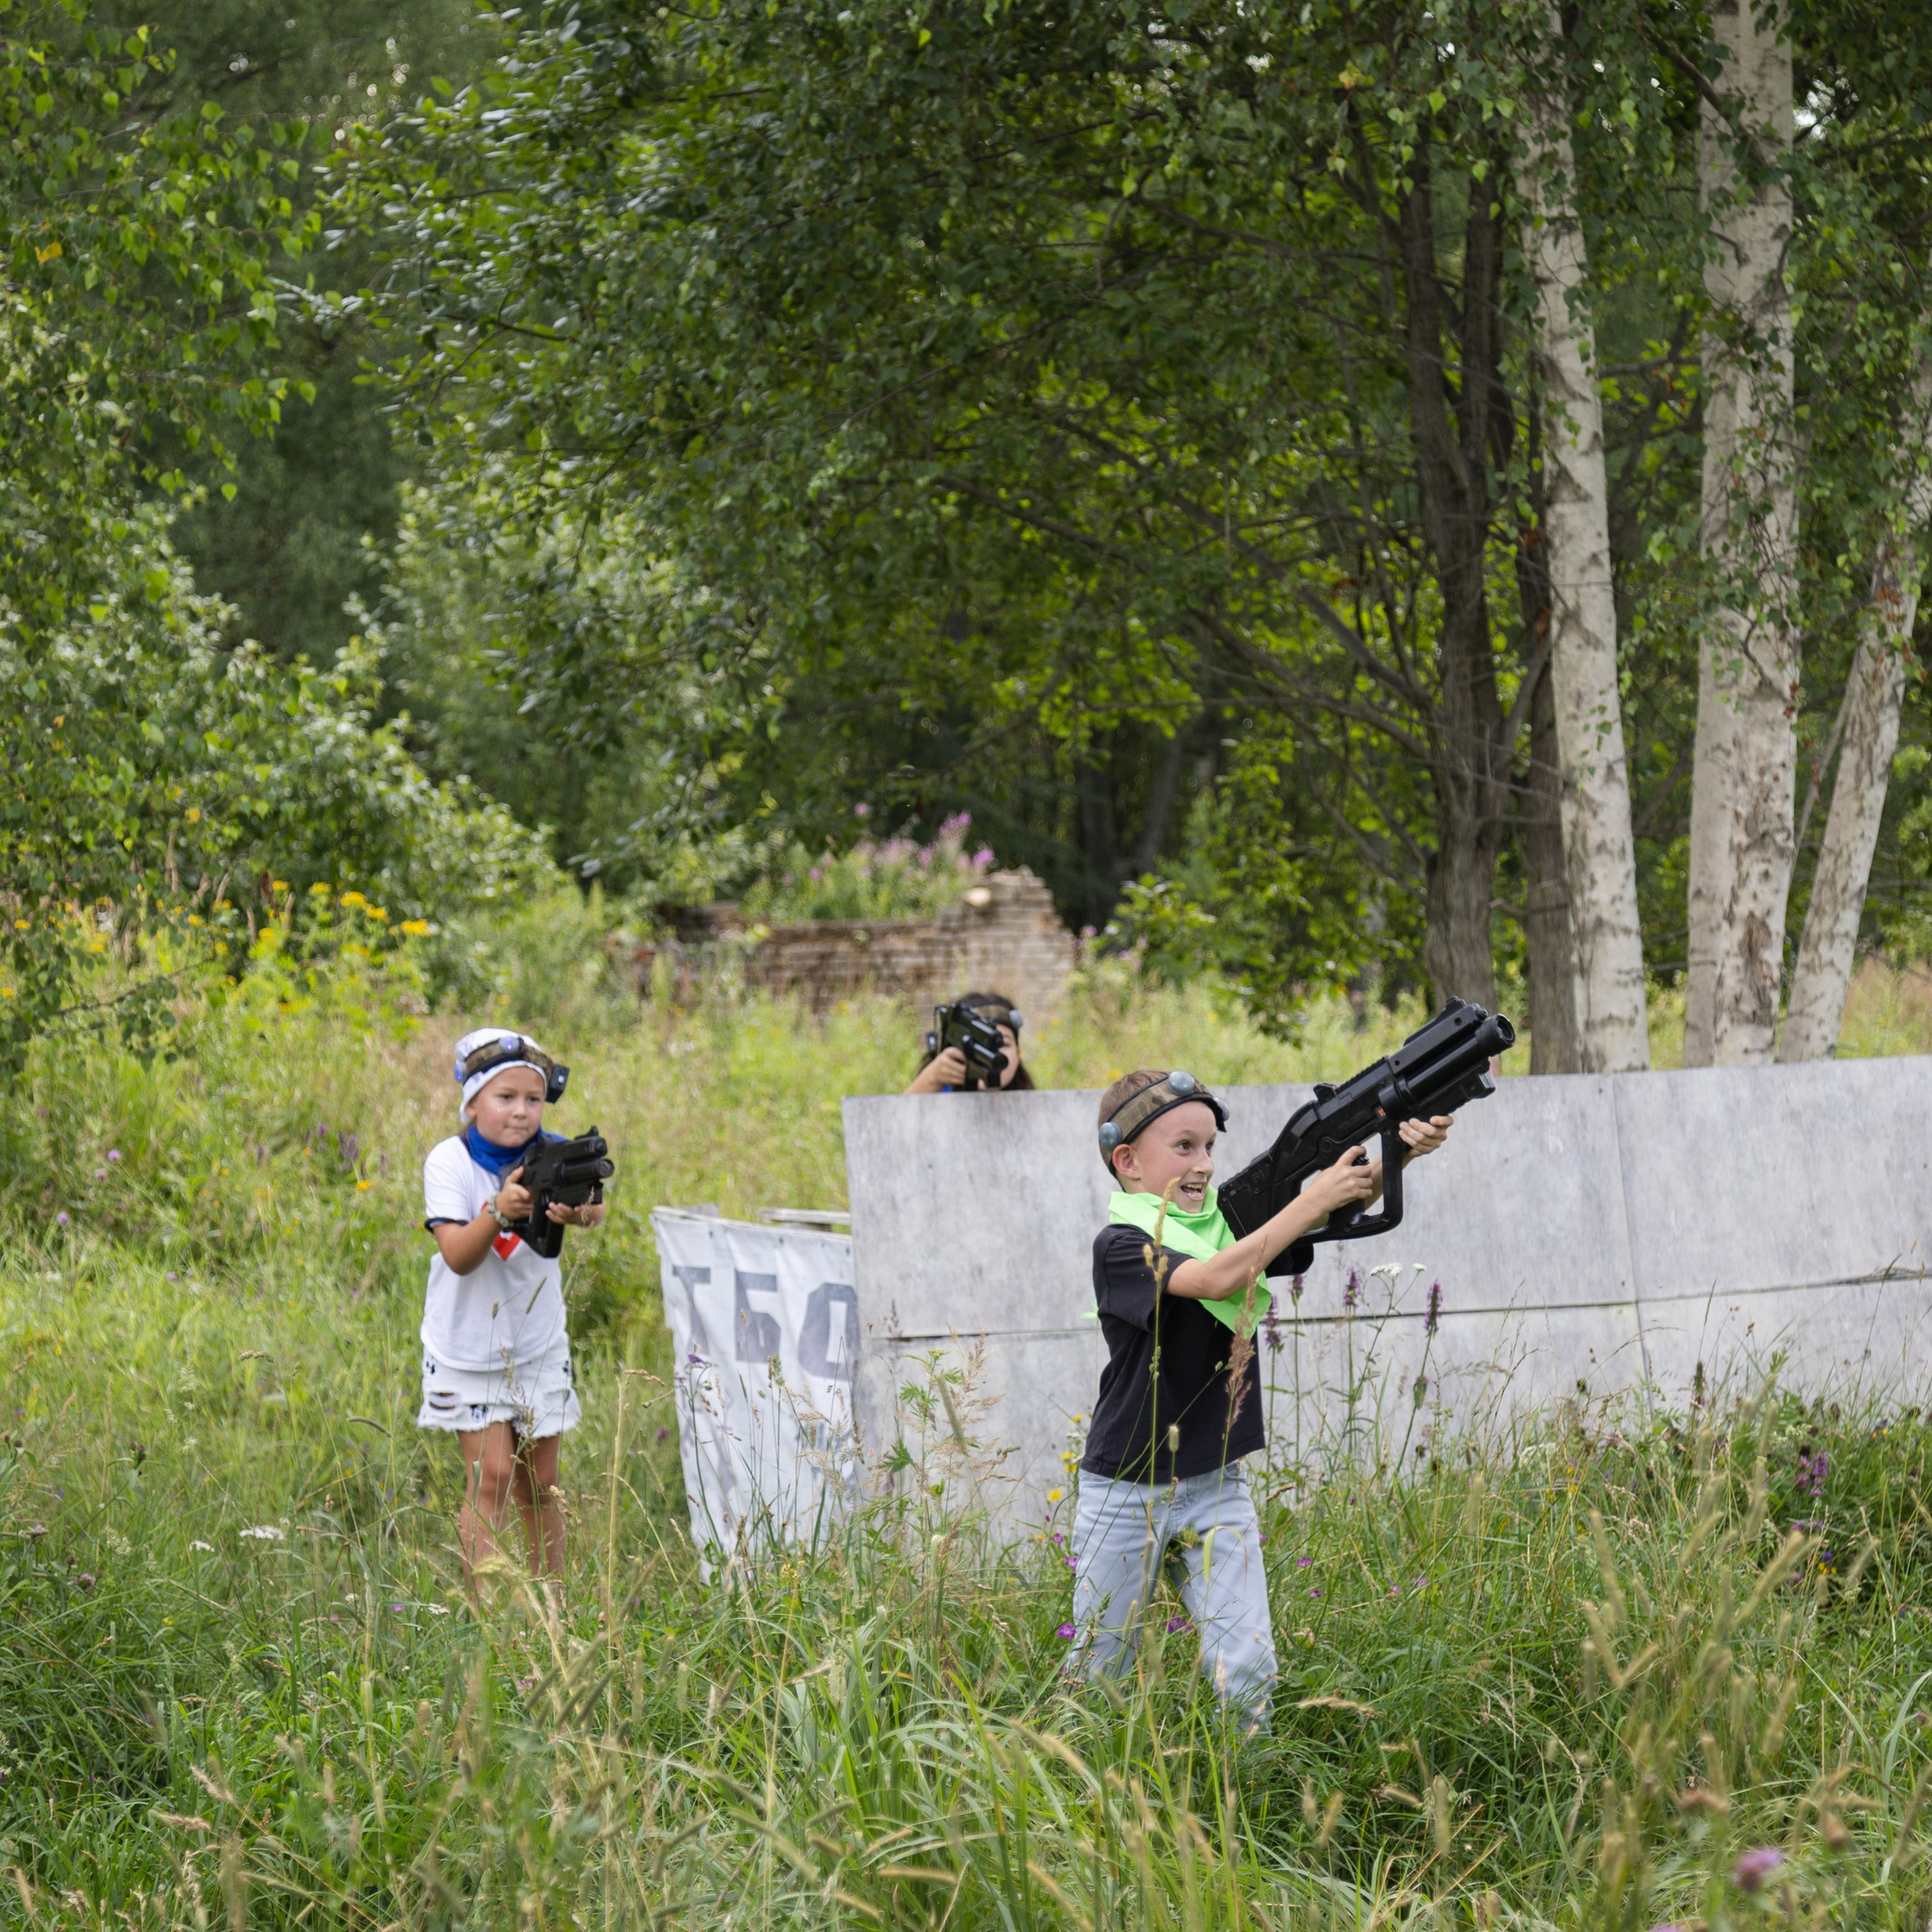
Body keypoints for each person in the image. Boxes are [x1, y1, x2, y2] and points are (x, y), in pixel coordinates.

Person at [1068, 1067, 1452, 1726]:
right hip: (1127, 1491)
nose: (1205, 1164)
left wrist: (1401, 1152)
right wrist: (1307, 1202)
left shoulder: (1224, 1227)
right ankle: (1081, 1796)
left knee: (1246, 1666)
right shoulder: (1123, 1246)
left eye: (1210, 1147)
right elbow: (1219, 1279)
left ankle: (1246, 1792)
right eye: (1183, 1147)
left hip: (1216, 1481)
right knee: (1102, 1672)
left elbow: (1328, 1212)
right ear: (1126, 1162)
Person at [419, 1026, 605, 1584]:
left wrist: (579, 1212)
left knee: (541, 1484)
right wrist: (497, 1212)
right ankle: (489, 1614)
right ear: (472, 1101)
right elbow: (457, 1255)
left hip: (536, 1340)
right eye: (506, 1098)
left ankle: (553, 1603)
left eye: (533, 1098)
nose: (522, 1111)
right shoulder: (449, 1162)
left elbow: (595, 1205)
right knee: (492, 1477)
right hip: (465, 1346)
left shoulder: (552, 1152)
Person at [903, 989, 1035, 1092]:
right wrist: (932, 1078)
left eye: (1003, 1043)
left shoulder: (1029, 1103)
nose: (995, 1052)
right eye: (980, 1043)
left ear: (1018, 1055)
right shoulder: (939, 1092)